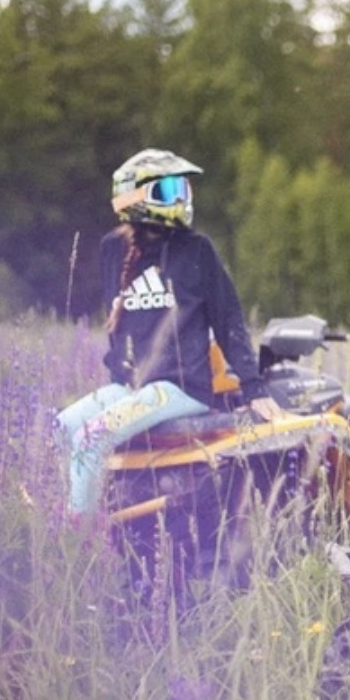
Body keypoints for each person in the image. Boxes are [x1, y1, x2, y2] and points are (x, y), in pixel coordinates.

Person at [55, 148, 281, 521]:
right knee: (62, 428)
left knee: (91, 438)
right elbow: (119, 324)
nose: (181, 198)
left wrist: (254, 389)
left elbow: (228, 321)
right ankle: (79, 512)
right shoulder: (113, 249)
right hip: (132, 387)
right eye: (169, 189)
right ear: (132, 196)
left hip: (180, 387)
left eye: (184, 189)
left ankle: (79, 539)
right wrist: (118, 385)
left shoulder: (196, 249)